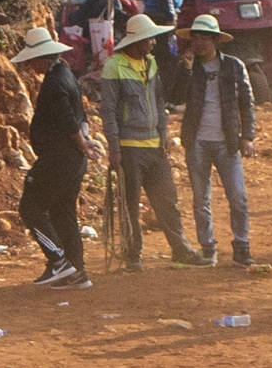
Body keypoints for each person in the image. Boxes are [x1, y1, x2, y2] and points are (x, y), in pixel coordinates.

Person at [101, 18, 201, 269]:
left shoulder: (151, 63)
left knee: (167, 201)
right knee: (130, 206)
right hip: (129, 147)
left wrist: (163, 134)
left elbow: (158, 102)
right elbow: (108, 110)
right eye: (149, 39)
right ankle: (133, 255)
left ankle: (180, 249)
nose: (153, 43)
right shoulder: (114, 66)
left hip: (154, 146)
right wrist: (114, 148)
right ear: (137, 41)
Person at [174, 16, 259, 267]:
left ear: (215, 40)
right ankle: (208, 247)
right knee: (201, 199)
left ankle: (241, 246)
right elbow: (175, 97)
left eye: (204, 38)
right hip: (197, 141)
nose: (198, 43)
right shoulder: (187, 67)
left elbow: (246, 103)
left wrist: (248, 137)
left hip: (227, 141)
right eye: (195, 38)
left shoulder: (234, 66)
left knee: (238, 197)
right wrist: (187, 70)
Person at [12, 29, 94, 286]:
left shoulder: (54, 83)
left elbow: (67, 118)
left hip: (57, 158)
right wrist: (84, 141)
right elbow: (80, 115)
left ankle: (58, 260)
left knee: (30, 208)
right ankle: (77, 271)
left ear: (43, 58)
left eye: (31, 60)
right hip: (71, 159)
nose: (29, 66)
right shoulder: (66, 75)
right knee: (62, 210)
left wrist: (82, 143)